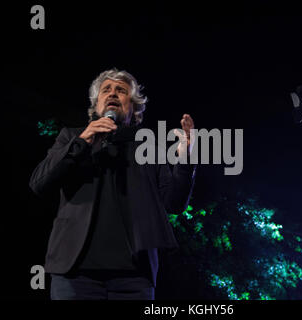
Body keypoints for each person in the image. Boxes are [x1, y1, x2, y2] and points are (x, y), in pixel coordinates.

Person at [29, 68, 196, 300]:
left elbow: (174, 204)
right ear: (96, 105)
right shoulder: (71, 137)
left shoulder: (148, 148)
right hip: (74, 276)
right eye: (106, 90)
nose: (113, 94)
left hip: (134, 279)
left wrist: (185, 158)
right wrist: (81, 143)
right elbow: (40, 184)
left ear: (134, 107)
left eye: (121, 90)